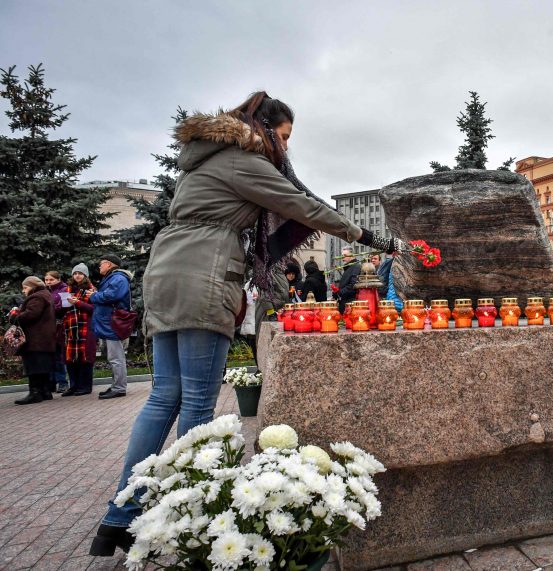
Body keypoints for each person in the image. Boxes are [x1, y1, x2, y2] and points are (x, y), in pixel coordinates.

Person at [90, 91, 409, 556]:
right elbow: (304, 206)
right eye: (282, 137)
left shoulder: (206, 159)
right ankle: (191, 517)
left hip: (166, 270)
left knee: (164, 396)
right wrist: (372, 238)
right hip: (204, 271)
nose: (284, 149)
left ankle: (119, 518)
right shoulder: (244, 160)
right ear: (263, 128)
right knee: (197, 403)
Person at [90, 255, 132, 400]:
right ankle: (116, 385)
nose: (99, 267)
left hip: (113, 323)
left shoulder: (118, 278)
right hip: (109, 323)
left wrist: (94, 296)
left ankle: (119, 388)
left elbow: (112, 295)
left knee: (116, 357)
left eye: (101, 264)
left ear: (109, 264)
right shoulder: (112, 278)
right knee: (113, 357)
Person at [12, 277, 56, 405]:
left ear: (32, 286)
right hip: (44, 338)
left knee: (33, 366)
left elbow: (31, 314)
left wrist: (15, 316)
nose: (23, 290)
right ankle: (45, 391)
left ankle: (35, 393)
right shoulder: (46, 295)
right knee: (42, 365)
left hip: (35, 338)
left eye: (25, 287)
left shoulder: (36, 297)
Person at [60, 263, 97, 396]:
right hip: (70, 328)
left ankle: (85, 386)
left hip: (86, 328)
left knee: (84, 358)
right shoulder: (68, 290)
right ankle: (73, 386)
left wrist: (78, 303)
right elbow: (63, 309)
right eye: (75, 273)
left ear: (85, 275)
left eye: (80, 273)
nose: (77, 276)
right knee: (70, 358)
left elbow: (95, 309)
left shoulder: (91, 290)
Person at [44, 270, 70, 393]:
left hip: (60, 326)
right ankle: (51, 382)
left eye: (51, 280)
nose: (48, 282)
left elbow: (65, 307)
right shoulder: (46, 291)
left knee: (59, 356)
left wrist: (50, 309)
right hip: (48, 327)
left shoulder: (64, 290)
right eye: (46, 280)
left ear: (58, 279)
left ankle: (62, 382)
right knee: (50, 356)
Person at [336, 247, 361, 314]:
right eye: (342, 256)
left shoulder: (356, 267)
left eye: (345, 256)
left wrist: (339, 292)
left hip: (350, 304)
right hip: (346, 303)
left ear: (352, 256)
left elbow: (353, 285)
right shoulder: (349, 267)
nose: (342, 258)